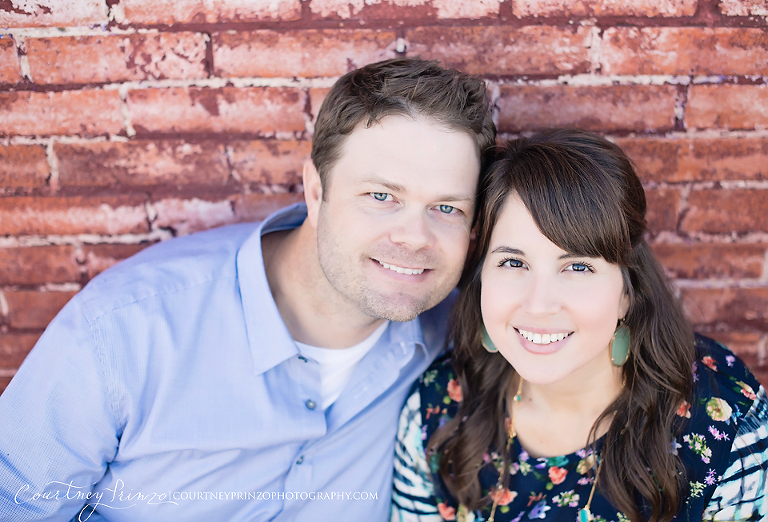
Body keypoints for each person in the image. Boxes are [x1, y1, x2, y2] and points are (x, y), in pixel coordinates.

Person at [0, 58, 496, 521]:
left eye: (447, 207)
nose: (415, 237)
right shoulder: (127, 329)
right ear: (316, 191)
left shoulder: (459, 334)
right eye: (381, 196)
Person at [391, 129, 767, 522]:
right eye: (513, 263)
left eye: (577, 267)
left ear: (627, 290)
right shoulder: (440, 408)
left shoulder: (723, 420)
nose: (538, 305)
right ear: (481, 275)